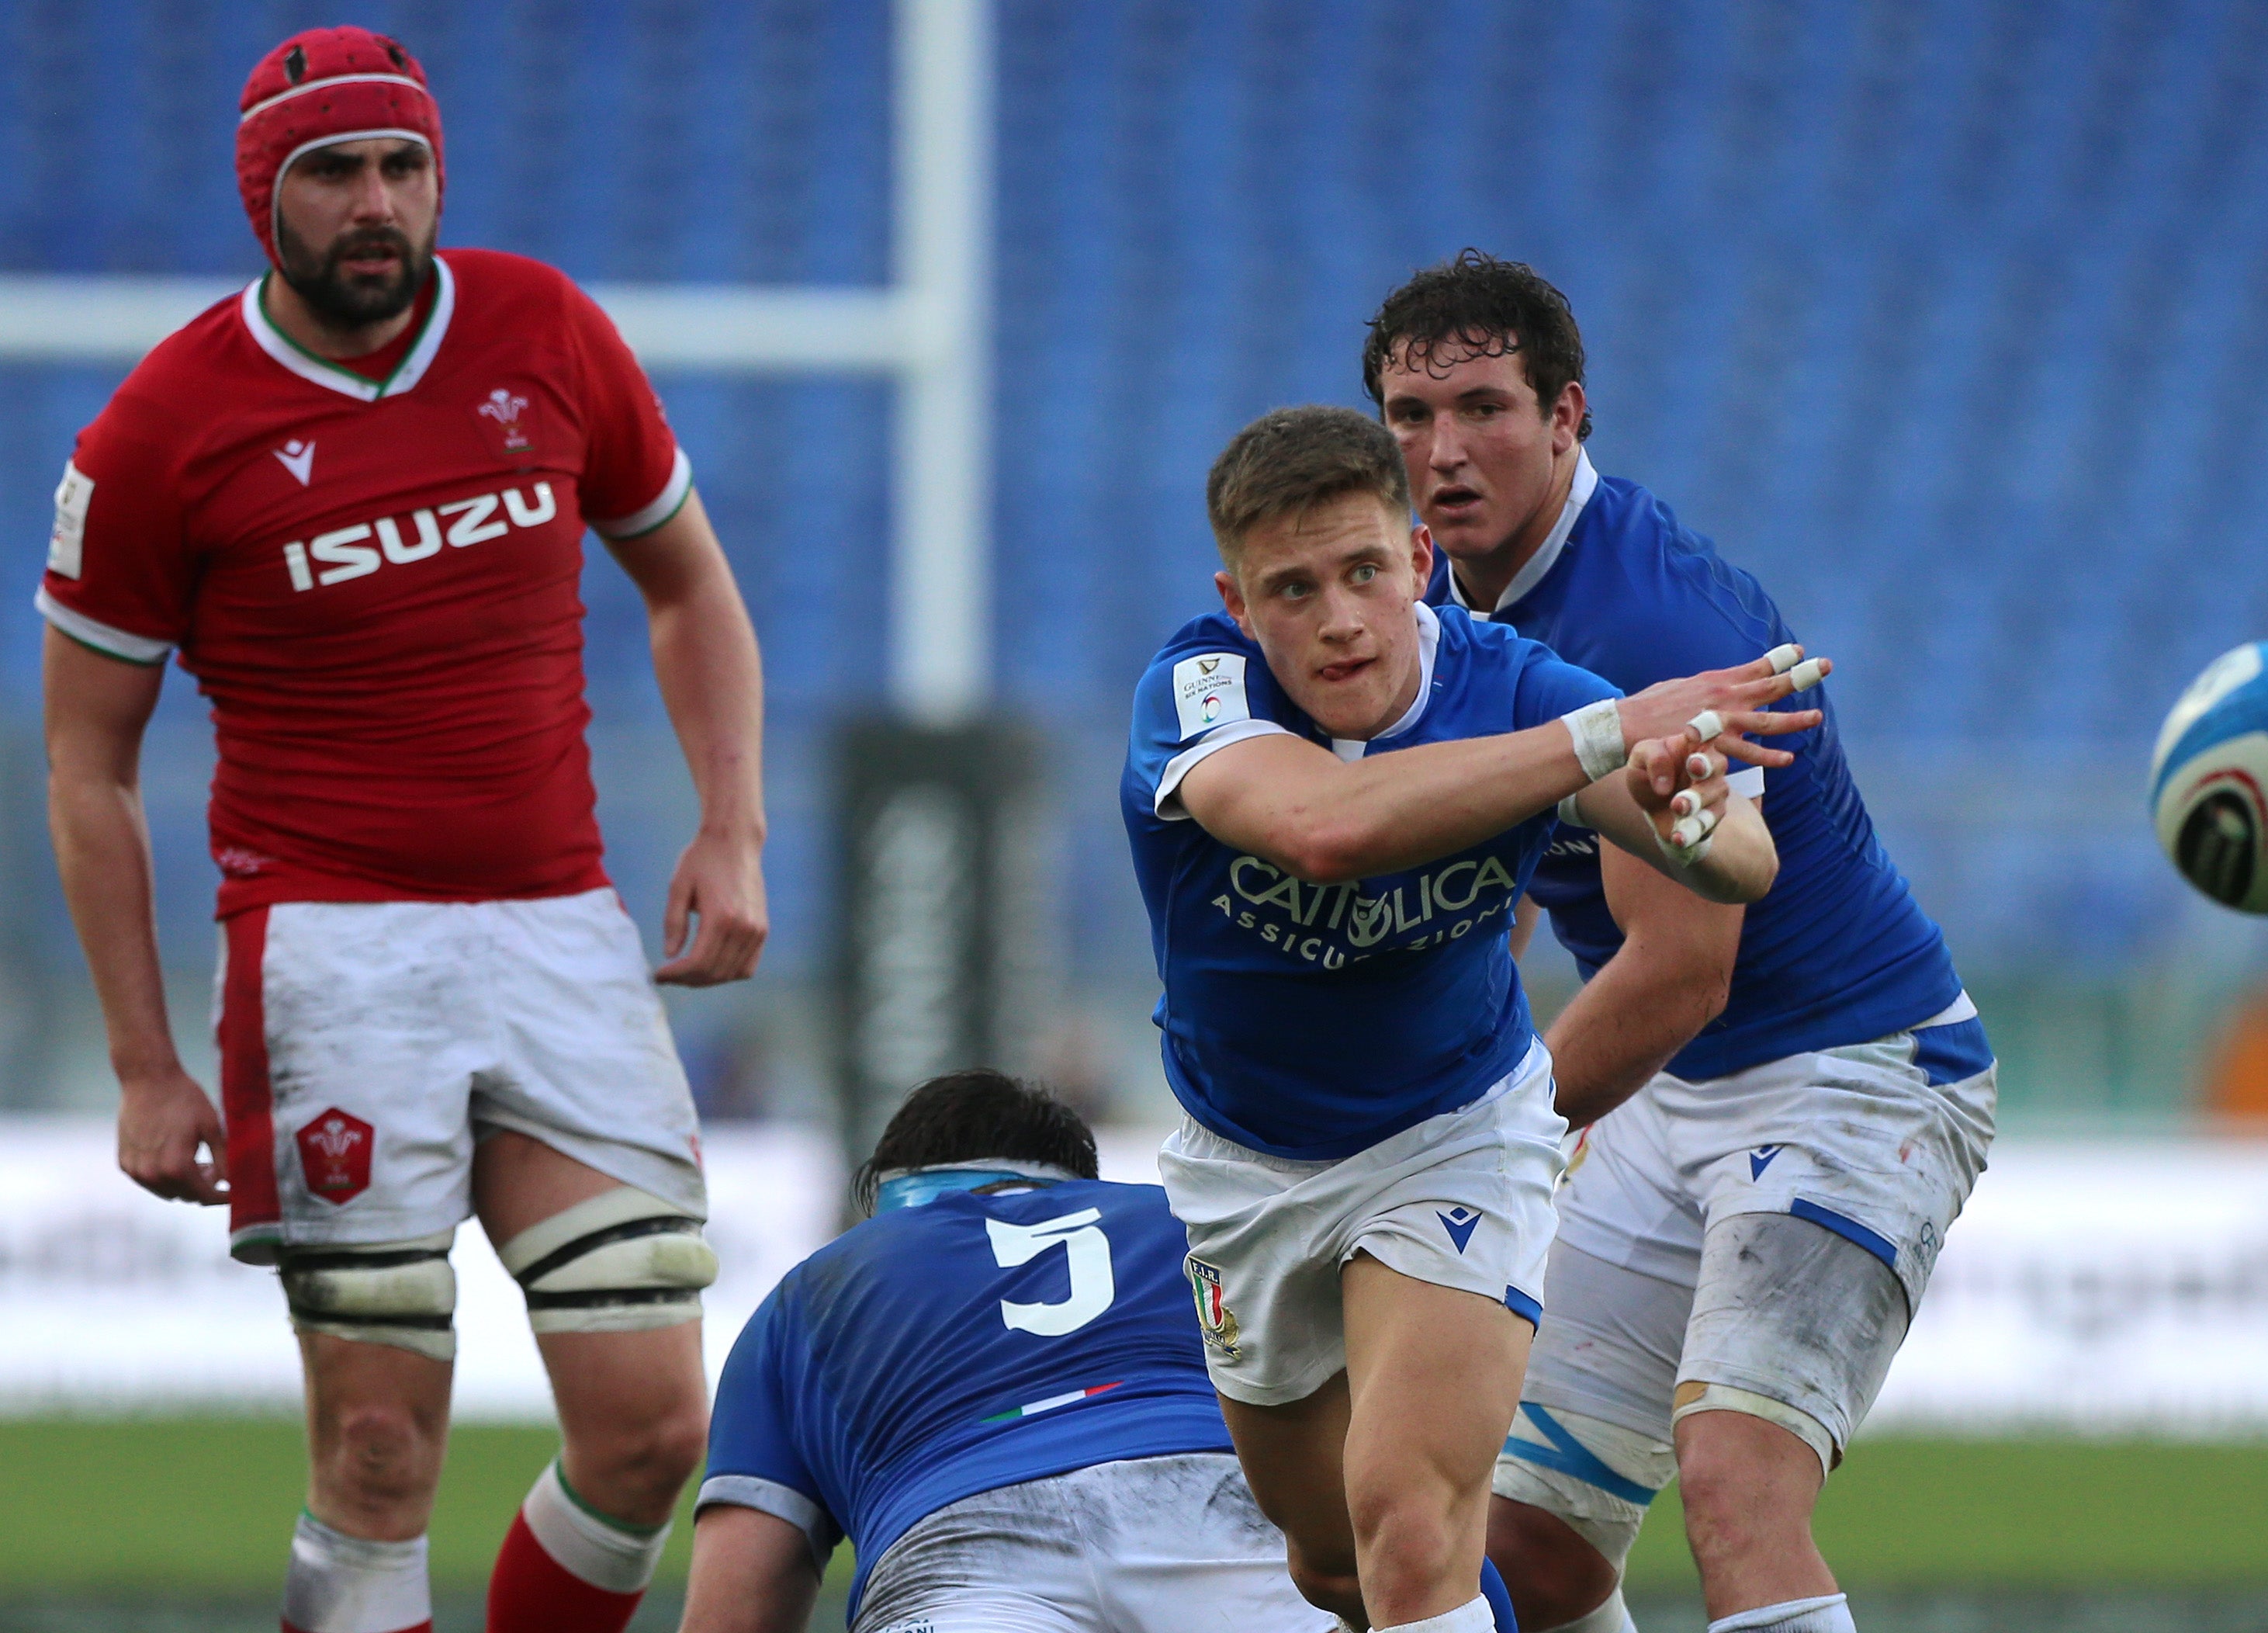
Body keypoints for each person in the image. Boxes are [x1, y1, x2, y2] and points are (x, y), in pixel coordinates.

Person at [38, 28, 767, 1633]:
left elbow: (688, 580)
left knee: (655, 1430)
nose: (377, 202)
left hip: (558, 932)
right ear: (264, 197)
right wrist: (145, 1061)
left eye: (403, 166)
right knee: (377, 1453)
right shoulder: (160, 428)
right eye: (333, 171)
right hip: (328, 954)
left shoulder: (546, 330)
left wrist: (731, 825)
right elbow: (87, 764)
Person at [1363, 251, 1996, 1633]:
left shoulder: (1647, 625)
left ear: (1567, 416)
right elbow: (1498, 874)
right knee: (1523, 1542)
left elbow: (1679, 968)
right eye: (1411, 418)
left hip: (1856, 1070)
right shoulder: (1446, 608)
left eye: (1481, 407)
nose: (1443, 450)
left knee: (1735, 1480)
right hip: (1686, 1094)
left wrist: (1465, 1140)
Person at [1120, 405, 1825, 1633]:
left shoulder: (1511, 685)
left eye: (1363, 573)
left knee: (1409, 1519)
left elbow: (1741, 863)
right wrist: (1601, 739)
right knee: (1331, 1562)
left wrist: (1693, 818)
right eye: (1293, 589)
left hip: (1457, 1132)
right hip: (1246, 1162)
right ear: (1238, 603)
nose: (1339, 617)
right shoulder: (1198, 691)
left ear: (1420, 565)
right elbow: (1323, 831)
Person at [681, 1069, 1340, 1633]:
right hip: (1211, 1513)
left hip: (956, 1556)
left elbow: (731, 1613)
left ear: (892, 1201)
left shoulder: (808, 1293)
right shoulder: (1191, 1224)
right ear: (1079, 1185)